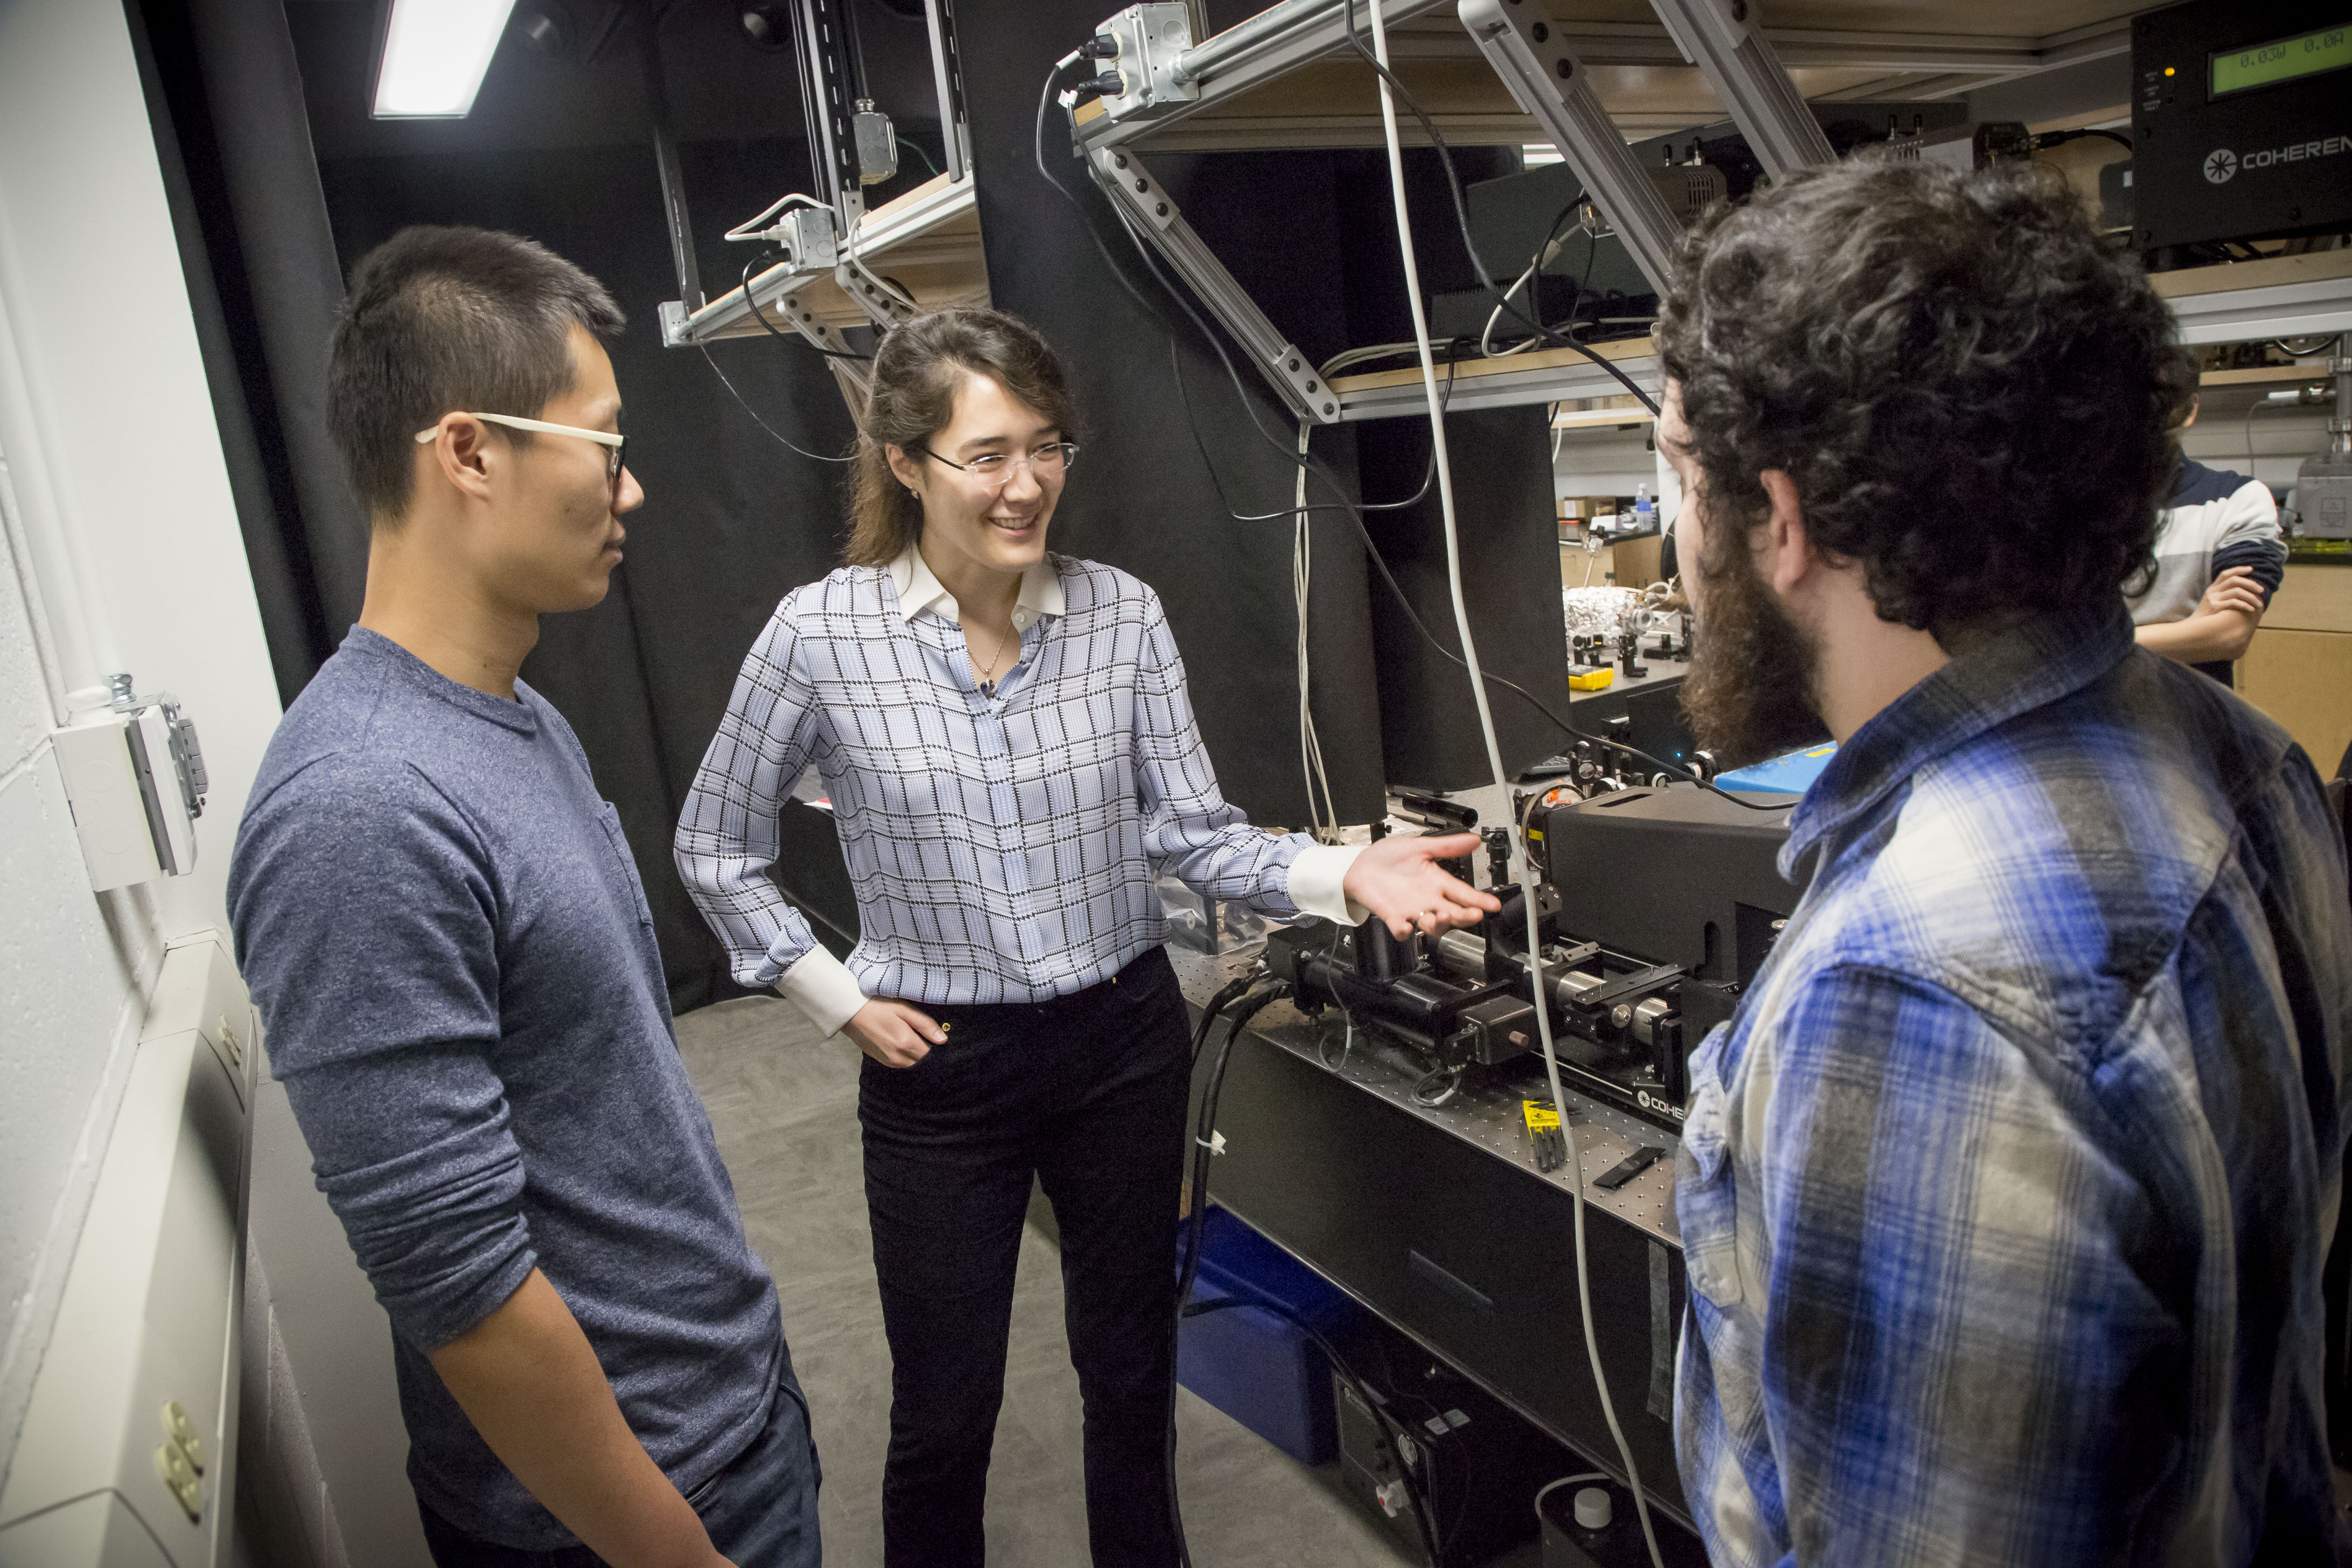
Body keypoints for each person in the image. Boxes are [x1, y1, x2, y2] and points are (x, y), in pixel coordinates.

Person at [675, 306, 1495, 1568]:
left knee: (1130, 1377)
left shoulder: (1122, 618)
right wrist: (835, 999)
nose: (1027, 485)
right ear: (905, 464)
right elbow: (714, 844)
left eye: (1048, 447)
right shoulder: (821, 638)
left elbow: (1198, 836)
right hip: (939, 1074)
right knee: (946, 1415)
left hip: (1120, 1044)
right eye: (988, 454)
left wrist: (1345, 872)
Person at [1655, 158, 2352, 1564]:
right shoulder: (2249, 763)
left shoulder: (1917, 991)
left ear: (1781, 522)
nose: (1678, 541)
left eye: (1680, 474)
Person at [228, 227, 818, 1568]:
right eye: (604, 447)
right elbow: (464, 1291)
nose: (634, 491)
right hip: (620, 1527)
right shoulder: (358, 809)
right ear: (471, 453)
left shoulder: (512, 718)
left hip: (727, 1420)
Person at [2127, 400, 2285, 683]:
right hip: (2075, 720)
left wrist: (2090, 648)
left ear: (2188, 408)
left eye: (2159, 396)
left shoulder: (2237, 498)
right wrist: (2191, 627)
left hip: (2191, 719)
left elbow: (2230, 635)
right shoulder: (2067, 504)